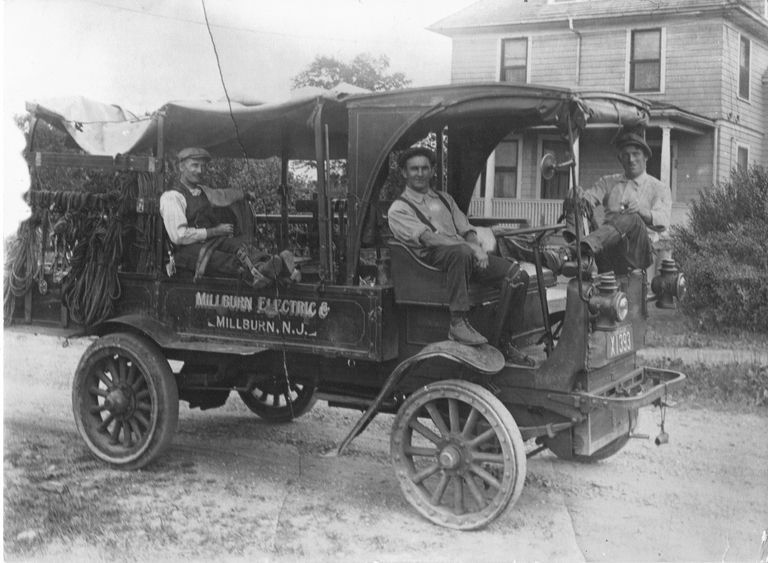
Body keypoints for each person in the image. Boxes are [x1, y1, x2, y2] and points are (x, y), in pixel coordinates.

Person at [387, 147, 532, 364]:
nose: (420, 173)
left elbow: (466, 229)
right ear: (404, 172)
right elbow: (429, 239)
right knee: (460, 252)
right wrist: (471, 248)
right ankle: (458, 322)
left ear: (432, 171)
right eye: (414, 169)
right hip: (429, 265)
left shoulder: (444, 199)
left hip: (461, 258)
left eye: (425, 168)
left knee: (518, 277)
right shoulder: (399, 209)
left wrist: (476, 246)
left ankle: (504, 342)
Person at [160, 147, 299, 287]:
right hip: (184, 251)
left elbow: (223, 195)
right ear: (181, 167)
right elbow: (179, 236)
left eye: (202, 166)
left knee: (240, 245)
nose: (200, 170)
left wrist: (243, 194)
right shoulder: (172, 197)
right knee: (222, 259)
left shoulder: (202, 191)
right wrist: (214, 231)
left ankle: (269, 265)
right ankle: (259, 275)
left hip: (208, 242)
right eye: (195, 165)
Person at [571, 131, 671, 274]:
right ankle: (571, 254)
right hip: (608, 249)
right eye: (626, 155)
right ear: (620, 159)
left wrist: (641, 211)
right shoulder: (608, 182)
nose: (631, 159)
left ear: (646, 157)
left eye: (636, 154)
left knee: (632, 217)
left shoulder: (658, 187)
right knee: (576, 201)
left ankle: (577, 249)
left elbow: (663, 221)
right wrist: (579, 197)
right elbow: (590, 197)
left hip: (639, 252)